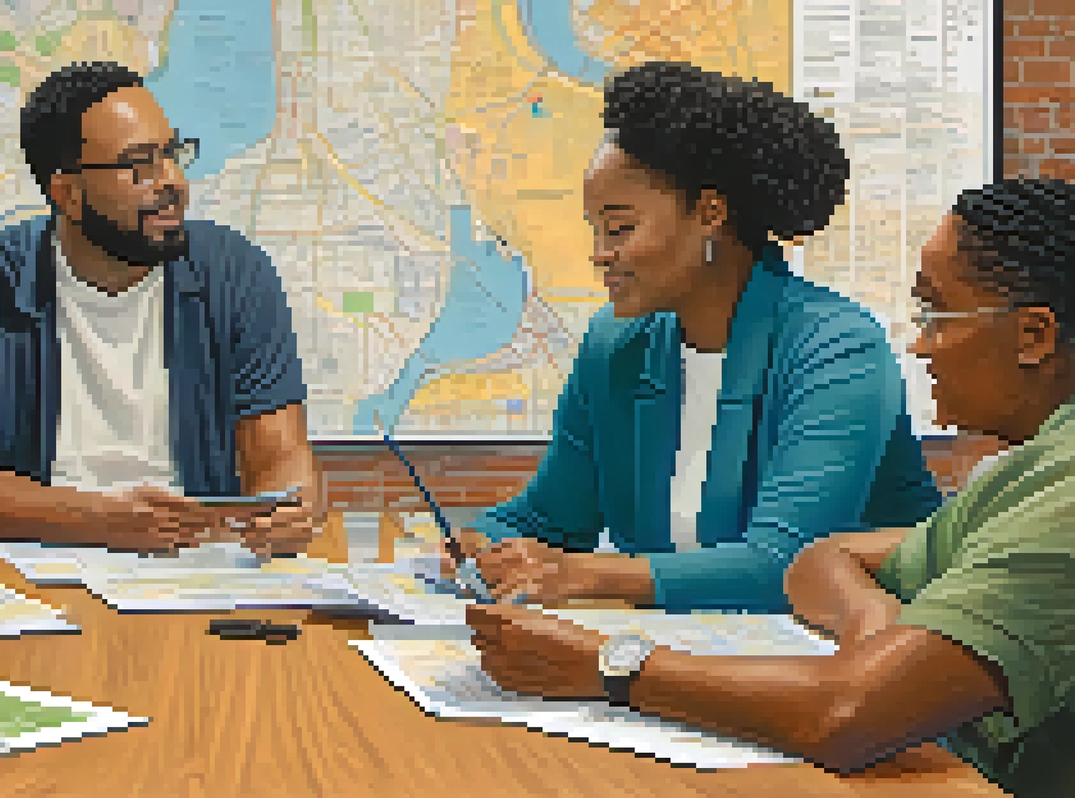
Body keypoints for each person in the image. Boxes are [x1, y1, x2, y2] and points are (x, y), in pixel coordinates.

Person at [469, 177, 1075, 796]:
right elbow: (823, 559)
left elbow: (844, 710)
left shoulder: (1062, 496)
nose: (920, 346)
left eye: (935, 315)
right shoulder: (1028, 471)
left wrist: (610, 665)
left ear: (1035, 336)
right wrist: (876, 624)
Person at [447, 62, 942, 613]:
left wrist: (583, 574)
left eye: (620, 228)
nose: (600, 254)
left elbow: (787, 564)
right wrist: (481, 544)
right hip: (684, 650)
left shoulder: (838, 350)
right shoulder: (615, 345)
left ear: (710, 213)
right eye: (597, 231)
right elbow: (550, 519)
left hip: (852, 651)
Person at [0, 62, 318, 556]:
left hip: (201, 563)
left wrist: (287, 511)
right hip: (39, 562)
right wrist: (102, 521)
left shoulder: (235, 274)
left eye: (173, 155)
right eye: (140, 165)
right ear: (68, 194)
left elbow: (281, 453)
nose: (173, 182)